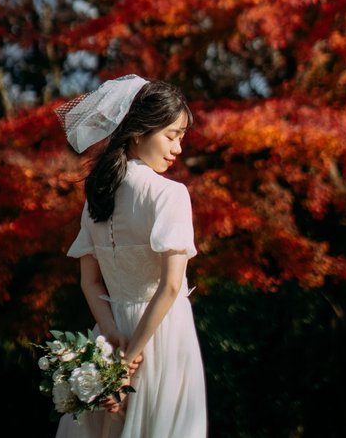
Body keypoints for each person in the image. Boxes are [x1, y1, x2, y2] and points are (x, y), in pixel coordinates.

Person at [54, 74, 207, 438]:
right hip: (160, 335)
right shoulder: (170, 194)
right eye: (171, 135)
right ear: (139, 132)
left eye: (181, 138)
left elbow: (89, 282)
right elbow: (170, 287)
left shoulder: (97, 197)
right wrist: (126, 365)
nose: (178, 149)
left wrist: (110, 336)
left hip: (112, 333)